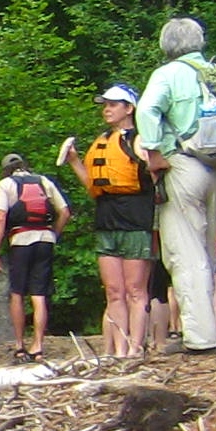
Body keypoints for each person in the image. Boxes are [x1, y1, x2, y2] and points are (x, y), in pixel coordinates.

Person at [138, 18, 216, 352]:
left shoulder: (168, 74)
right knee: (207, 250)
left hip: (181, 165)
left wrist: (153, 152)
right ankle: (209, 331)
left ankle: (201, 339)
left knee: (184, 254)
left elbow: (147, 109)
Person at [64, 87, 154, 357]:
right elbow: (93, 186)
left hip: (136, 219)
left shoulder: (140, 139)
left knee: (135, 290)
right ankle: (117, 349)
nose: (107, 109)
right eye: (105, 104)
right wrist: (74, 161)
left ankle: (135, 348)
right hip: (106, 220)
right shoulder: (101, 140)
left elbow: (156, 172)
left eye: (114, 104)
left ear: (129, 109)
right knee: (114, 291)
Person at [0, 151, 69, 360]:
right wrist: (54, 234)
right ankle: (38, 345)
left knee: (17, 292)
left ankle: (19, 344)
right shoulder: (43, 181)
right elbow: (65, 212)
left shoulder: (6, 184)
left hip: (21, 240)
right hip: (45, 240)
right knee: (39, 294)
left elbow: (0, 217)